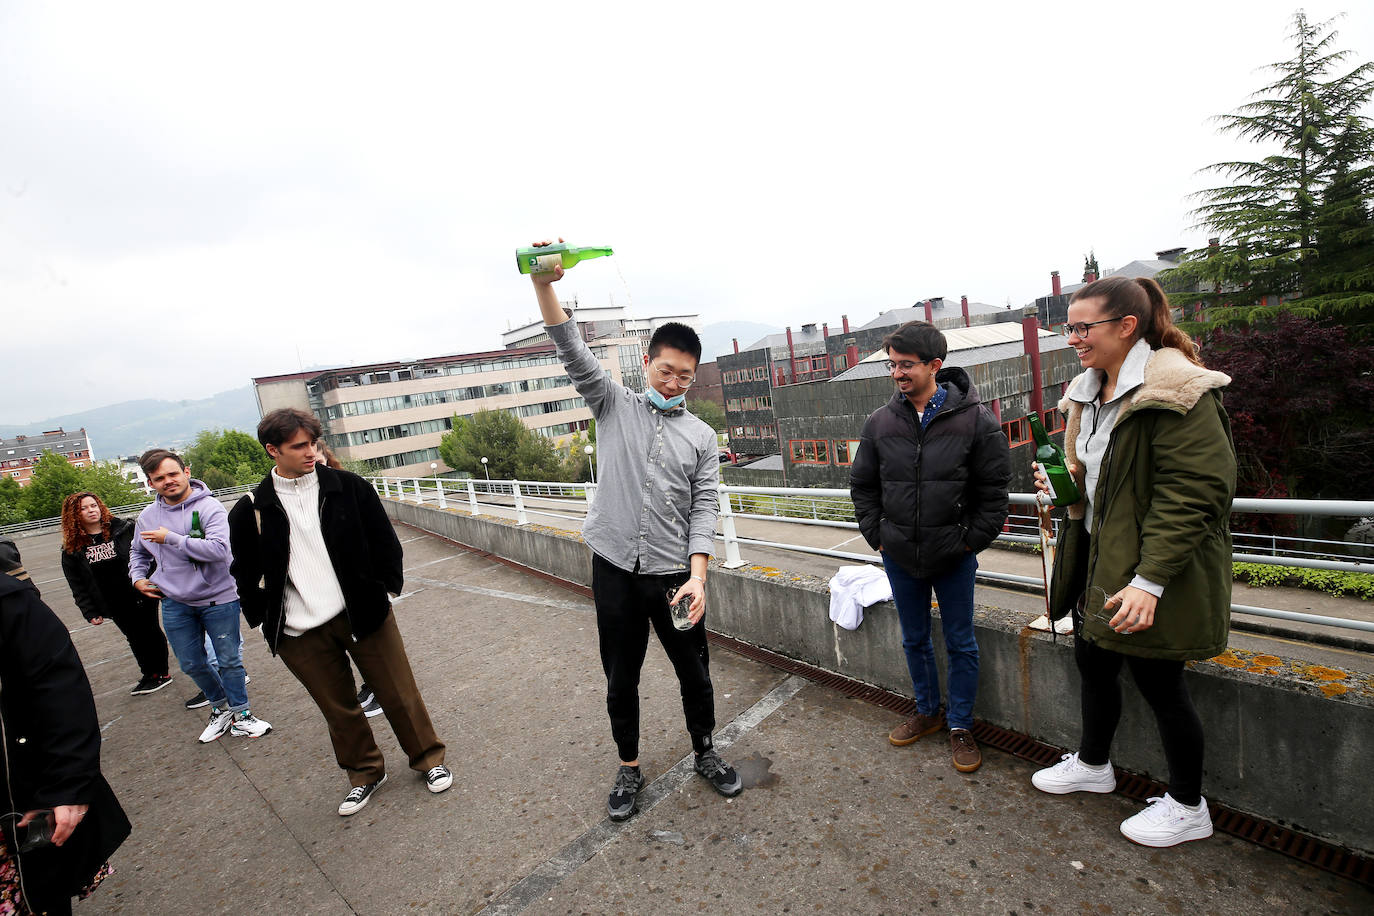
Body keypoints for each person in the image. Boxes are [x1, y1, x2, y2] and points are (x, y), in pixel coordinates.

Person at [528, 239, 741, 823]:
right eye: (666, 370)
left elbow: (704, 510)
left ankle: (704, 749)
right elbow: (569, 345)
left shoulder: (701, 438)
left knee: (694, 670)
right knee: (621, 675)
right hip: (615, 568)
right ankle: (628, 767)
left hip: (676, 575)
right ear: (647, 361)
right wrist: (544, 282)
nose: (673, 382)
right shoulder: (611, 403)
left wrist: (700, 577)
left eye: (685, 376)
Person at [1029, 276, 1235, 848]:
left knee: (1160, 681)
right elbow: (1099, 477)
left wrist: (1151, 580)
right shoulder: (1087, 390)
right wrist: (1065, 483)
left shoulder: (1179, 391)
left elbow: (1195, 493)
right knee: (1093, 664)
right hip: (1098, 555)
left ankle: (1189, 805)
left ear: (1126, 326)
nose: (1072, 338)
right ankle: (1094, 766)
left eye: (1082, 327)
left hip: (1149, 570)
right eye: (1068, 327)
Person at [228, 409, 450, 816]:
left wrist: (381, 590)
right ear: (272, 450)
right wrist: (261, 617)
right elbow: (243, 570)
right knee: (338, 708)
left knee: (398, 693)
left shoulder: (349, 487)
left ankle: (428, 759)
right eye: (299, 446)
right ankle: (365, 773)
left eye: (313, 443)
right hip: (297, 629)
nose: (310, 451)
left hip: (362, 614)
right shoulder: (250, 509)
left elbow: (385, 542)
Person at [850, 320, 1011, 773]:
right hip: (899, 554)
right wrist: (878, 535)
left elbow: (994, 492)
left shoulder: (976, 421)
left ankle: (960, 725)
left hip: (953, 557)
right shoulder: (880, 422)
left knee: (962, 642)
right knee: (914, 638)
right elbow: (862, 485)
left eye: (906, 365)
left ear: (934, 366)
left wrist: (967, 543)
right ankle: (926, 711)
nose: (897, 373)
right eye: (892, 365)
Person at [1, 535, 132, 915]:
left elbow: (59, 689)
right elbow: (77, 577)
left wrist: (70, 785)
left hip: (18, 803)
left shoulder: (9, 599)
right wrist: (90, 606)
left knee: (37, 896)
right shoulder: (70, 547)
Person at [129, 449, 272, 743]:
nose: (168, 481)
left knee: (229, 660)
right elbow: (138, 552)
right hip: (174, 600)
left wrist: (171, 538)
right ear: (151, 483)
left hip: (218, 598)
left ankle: (243, 715)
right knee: (191, 663)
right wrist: (138, 577)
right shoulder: (147, 517)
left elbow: (220, 550)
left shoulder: (209, 508)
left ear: (187, 472)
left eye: (173, 474)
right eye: (160, 478)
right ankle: (221, 708)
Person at [60, 492, 173, 696]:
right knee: (133, 636)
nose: (91, 510)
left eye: (93, 505)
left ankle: (161, 674)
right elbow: (77, 584)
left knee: (149, 631)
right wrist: (89, 610)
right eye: (83, 508)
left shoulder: (123, 529)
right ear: (73, 516)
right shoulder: (72, 549)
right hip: (111, 601)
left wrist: (157, 582)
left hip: (139, 592)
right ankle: (149, 673)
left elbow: (148, 556)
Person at [313, 440, 382, 719]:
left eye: (318, 459)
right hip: (329, 586)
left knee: (370, 641)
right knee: (351, 641)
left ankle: (380, 690)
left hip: (360, 582)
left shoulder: (348, 488)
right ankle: (369, 686)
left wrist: (384, 583)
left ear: (325, 459)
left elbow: (377, 534)